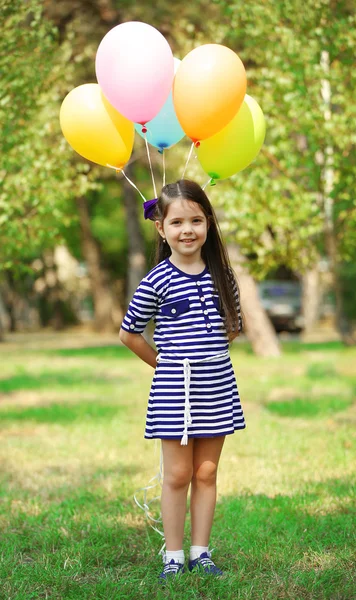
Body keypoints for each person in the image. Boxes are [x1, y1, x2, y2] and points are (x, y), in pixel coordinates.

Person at [119, 179, 246, 581]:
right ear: (161, 228)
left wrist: (210, 357)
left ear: (208, 222)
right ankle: (173, 556)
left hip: (217, 387)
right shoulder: (157, 280)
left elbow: (234, 326)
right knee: (177, 475)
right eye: (177, 222)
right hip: (176, 390)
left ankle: (200, 553)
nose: (187, 229)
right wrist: (165, 365)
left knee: (206, 473)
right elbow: (128, 333)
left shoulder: (223, 275)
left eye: (196, 219)